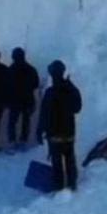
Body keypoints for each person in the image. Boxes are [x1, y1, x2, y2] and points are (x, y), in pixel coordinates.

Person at [36, 60, 83, 192]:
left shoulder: (50, 93)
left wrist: (39, 130)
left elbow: (43, 114)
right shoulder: (71, 90)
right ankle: (72, 185)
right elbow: (77, 108)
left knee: (57, 162)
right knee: (70, 159)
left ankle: (59, 187)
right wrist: (71, 86)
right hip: (69, 133)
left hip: (54, 135)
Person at [6, 47, 41, 146]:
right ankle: (23, 141)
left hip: (14, 100)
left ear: (13, 57)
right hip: (28, 100)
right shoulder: (31, 69)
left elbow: (5, 85)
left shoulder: (10, 69)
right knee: (26, 121)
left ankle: (12, 141)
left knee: (12, 122)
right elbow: (36, 84)